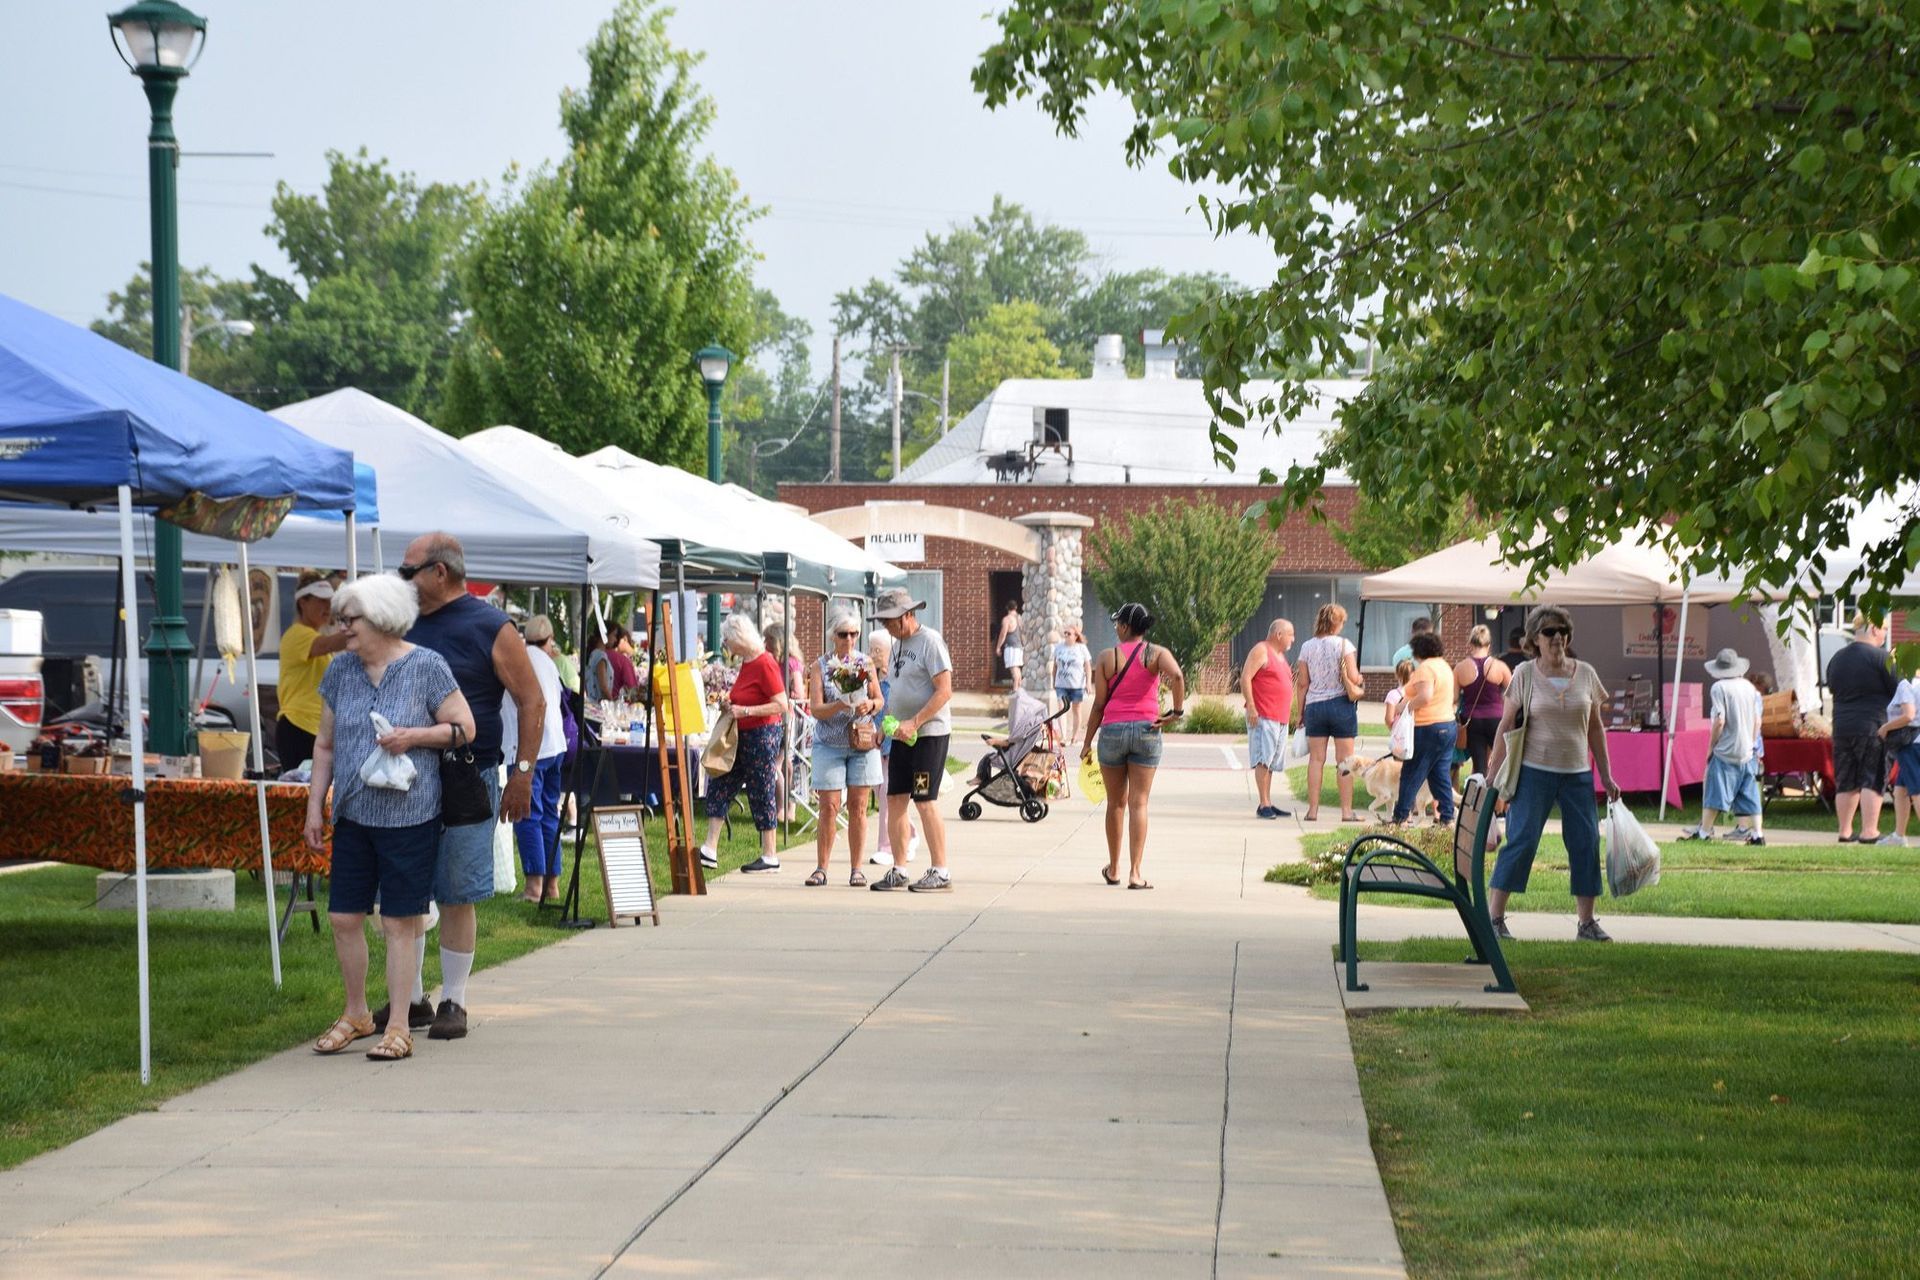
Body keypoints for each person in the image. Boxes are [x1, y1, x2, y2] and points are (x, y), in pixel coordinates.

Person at [303, 574, 475, 1062]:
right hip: (354, 813)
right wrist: (315, 806)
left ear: (380, 617)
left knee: (400, 921)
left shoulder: (426, 666)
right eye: (340, 619)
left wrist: (412, 737)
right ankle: (357, 1013)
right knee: (343, 916)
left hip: (410, 816)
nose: (342, 628)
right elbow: (325, 745)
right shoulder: (340, 671)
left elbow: (465, 727)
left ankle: (398, 1025)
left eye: (350, 619)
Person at [398, 532, 545, 1042]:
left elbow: (532, 701)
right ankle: (410, 999)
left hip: (467, 773)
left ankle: (454, 1000)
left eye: (408, 570)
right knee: (404, 887)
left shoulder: (491, 626)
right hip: (406, 775)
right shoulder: (403, 622)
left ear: (439, 572)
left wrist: (522, 773)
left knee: (458, 890)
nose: (402, 580)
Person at [1485, 605, 1623, 943]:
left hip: (1576, 774)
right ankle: (1494, 919)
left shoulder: (1586, 673)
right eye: (1549, 632)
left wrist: (1606, 774)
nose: (1557, 637)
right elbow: (1506, 724)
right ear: (1535, 639)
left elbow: (1595, 727)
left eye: (1562, 631)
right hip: (1534, 772)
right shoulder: (1525, 675)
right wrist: (1492, 773)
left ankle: (1586, 923)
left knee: (1585, 844)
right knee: (1521, 842)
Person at [1082, 602, 1187, 889]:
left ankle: (1114, 869)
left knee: (1116, 804)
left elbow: (1099, 705)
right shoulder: (1156, 653)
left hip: (1113, 731)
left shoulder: (1107, 657)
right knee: (1139, 802)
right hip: (1147, 729)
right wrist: (1175, 713)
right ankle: (1135, 873)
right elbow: (1177, 676)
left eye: (1118, 623)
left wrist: (1087, 742)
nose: (1115, 627)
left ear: (1126, 627)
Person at [870, 587, 955, 893]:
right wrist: (885, 726)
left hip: (927, 735)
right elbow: (897, 690)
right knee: (895, 800)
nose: (885, 626)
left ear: (906, 616)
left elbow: (944, 690)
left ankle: (940, 870)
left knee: (924, 799)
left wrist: (915, 721)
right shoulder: (896, 646)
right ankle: (899, 868)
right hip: (901, 735)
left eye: (889, 620)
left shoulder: (929, 642)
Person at [696, 614, 790, 872]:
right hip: (742, 735)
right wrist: (732, 704)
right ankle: (709, 848)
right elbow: (746, 696)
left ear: (739, 637)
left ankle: (770, 854)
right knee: (720, 782)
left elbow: (782, 704)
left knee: (761, 788)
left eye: (727, 639)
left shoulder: (764, 663)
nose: (725, 644)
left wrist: (745, 711)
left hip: (762, 734)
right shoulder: (748, 663)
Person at [805, 612, 883, 886]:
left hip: (861, 741)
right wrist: (839, 703)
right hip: (830, 744)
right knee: (829, 806)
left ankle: (856, 869)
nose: (849, 639)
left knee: (859, 806)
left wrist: (869, 705)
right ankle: (821, 868)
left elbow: (879, 699)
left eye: (853, 634)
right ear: (832, 636)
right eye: (843, 634)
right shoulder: (820, 666)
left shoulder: (866, 663)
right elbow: (815, 709)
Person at [504, 615, 569, 902]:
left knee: (527, 813)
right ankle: (551, 885)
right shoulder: (547, 661)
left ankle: (534, 887)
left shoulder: (514, 657)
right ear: (549, 639)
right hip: (555, 745)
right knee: (549, 814)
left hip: (529, 746)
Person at [1680, 647, 1766, 845]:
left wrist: (1711, 747)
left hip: (1726, 750)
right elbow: (1757, 721)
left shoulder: (1719, 688)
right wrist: (1752, 744)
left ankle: (1704, 832)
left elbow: (1720, 721)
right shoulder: (1749, 687)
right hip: (1747, 751)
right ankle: (1758, 834)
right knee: (1750, 794)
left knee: (1714, 791)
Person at [1828, 613, 1900, 844]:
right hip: (1873, 726)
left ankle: (1845, 831)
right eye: (1884, 629)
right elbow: (1898, 690)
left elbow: (1832, 688)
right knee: (1873, 776)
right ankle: (1870, 831)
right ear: (1874, 629)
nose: (1885, 634)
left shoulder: (1837, 658)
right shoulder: (1882, 658)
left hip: (1841, 725)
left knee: (1846, 778)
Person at [1293, 603, 1364, 823]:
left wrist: (1300, 712)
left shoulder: (1306, 647)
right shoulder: (1344, 645)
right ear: (1338, 623)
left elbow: (1302, 683)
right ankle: (1346, 811)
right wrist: (1360, 680)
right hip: (1341, 705)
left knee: (1316, 759)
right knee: (1344, 760)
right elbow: (1353, 677)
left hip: (1315, 706)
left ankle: (1312, 810)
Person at [275, 572, 351, 776]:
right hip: (298, 725)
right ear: (303, 603)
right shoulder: (296, 634)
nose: (327, 608)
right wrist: (359, 627)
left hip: (316, 727)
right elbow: (327, 645)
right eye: (321, 601)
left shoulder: (314, 634)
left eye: (329, 602)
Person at [865, 627, 919, 866]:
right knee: (880, 791)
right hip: (875, 742)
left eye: (878, 649)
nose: (873, 653)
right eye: (871, 648)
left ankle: (886, 847)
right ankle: (910, 833)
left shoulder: (896, 675)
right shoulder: (870, 676)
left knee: (888, 795)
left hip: (893, 740)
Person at [1394, 631, 1457, 825]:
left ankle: (1401, 816)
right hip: (1448, 724)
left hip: (1427, 726)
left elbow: (1425, 696)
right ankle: (1447, 816)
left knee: (1411, 772)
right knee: (1439, 774)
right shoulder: (1444, 666)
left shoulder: (1425, 669)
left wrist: (1406, 706)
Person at [1240, 618, 1295, 819]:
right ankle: (1263, 804)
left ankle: (1268, 802)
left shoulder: (1280, 656)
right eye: (1290, 634)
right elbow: (1245, 677)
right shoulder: (1261, 650)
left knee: (1271, 762)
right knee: (1263, 759)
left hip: (1279, 717)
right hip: (1263, 715)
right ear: (1278, 634)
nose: (1293, 639)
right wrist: (1252, 707)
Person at [1452, 625, 1511, 779]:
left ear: (1470, 644)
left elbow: (1453, 698)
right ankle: (1500, 799)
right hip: (1496, 719)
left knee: (1479, 766)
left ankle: (1479, 799)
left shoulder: (1460, 668)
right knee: (1503, 763)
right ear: (1489, 645)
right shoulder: (1500, 666)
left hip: (1472, 720)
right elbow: (1514, 693)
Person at [1881, 659, 1920, 848]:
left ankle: (1900, 835)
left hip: (1909, 743)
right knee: (1901, 789)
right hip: (1916, 742)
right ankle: (1899, 834)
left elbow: (1908, 715)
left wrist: (1885, 727)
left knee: (1917, 789)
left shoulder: (1906, 684)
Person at [1051, 623, 1093, 744]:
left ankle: (1074, 736)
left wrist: (1088, 683)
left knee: (1076, 710)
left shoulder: (1081, 648)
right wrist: (1054, 681)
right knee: (1061, 709)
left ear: (1075, 636)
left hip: (1076, 685)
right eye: (1065, 633)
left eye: (1069, 633)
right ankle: (1063, 737)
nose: (1066, 635)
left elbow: (1088, 667)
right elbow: (1055, 666)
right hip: (1061, 685)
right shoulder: (1058, 647)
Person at [997, 601, 1025, 688]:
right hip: (1019, 647)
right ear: (1016, 607)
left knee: (1013, 669)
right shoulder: (1019, 618)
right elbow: (1023, 632)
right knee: (1017, 669)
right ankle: (1019, 690)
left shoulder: (1007, 619)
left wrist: (998, 647)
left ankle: (1016, 690)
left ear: (1007, 608)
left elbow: (1003, 634)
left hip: (1011, 647)